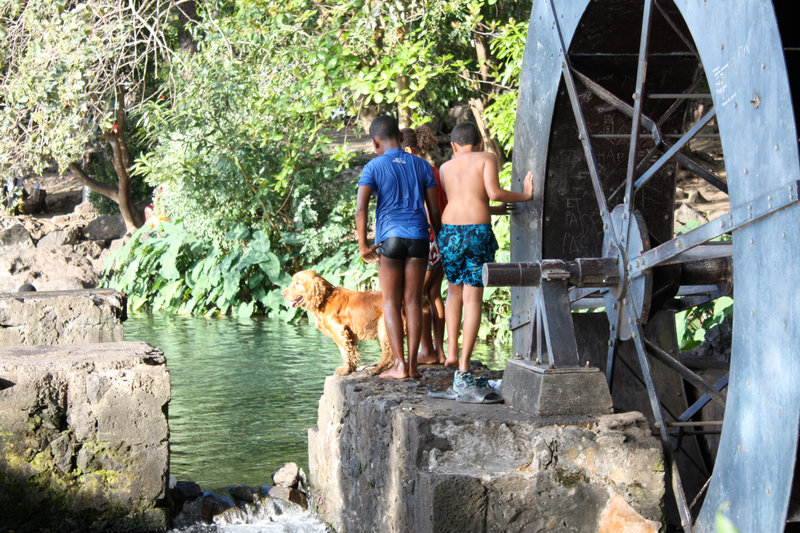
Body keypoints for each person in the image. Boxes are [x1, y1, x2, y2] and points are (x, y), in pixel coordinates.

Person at [433, 122, 533, 403]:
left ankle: (451, 352)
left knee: (453, 291)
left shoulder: (445, 168)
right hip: (476, 232)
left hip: (449, 231)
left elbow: (462, 199)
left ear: (453, 146)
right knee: (473, 297)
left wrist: (493, 210)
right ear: (479, 144)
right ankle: (464, 364)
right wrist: (525, 195)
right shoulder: (487, 158)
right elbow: (493, 192)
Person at [356, 116, 442, 380]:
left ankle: (400, 366)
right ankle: (414, 368)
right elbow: (434, 208)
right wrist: (436, 239)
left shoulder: (372, 167)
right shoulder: (423, 166)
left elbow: (361, 209)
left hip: (389, 239)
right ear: (402, 137)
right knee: (414, 301)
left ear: (375, 143)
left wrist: (363, 246)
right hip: (418, 238)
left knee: (391, 302)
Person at [400, 125, 447, 365]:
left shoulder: (416, 170)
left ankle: (426, 351)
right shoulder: (435, 169)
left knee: (415, 296)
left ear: (407, 149)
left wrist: (431, 236)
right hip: (443, 236)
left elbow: (429, 208)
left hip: (428, 239)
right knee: (434, 294)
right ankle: (440, 352)